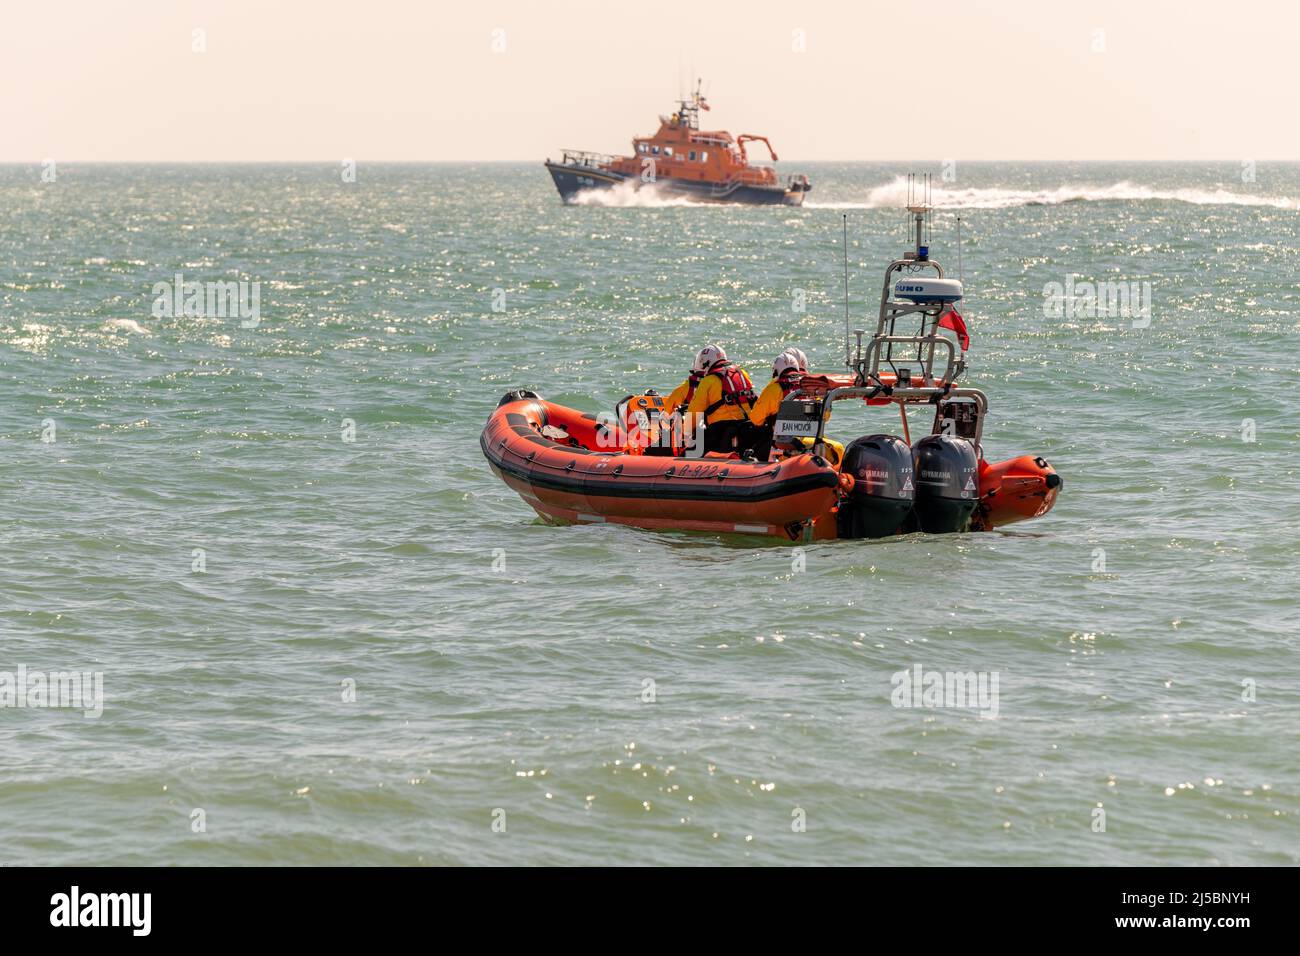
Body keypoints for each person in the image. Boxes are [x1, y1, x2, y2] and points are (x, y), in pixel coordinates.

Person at [685, 345, 760, 454]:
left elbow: (694, 412)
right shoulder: (742, 373)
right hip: (747, 427)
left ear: (706, 363)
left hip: (721, 431)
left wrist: (686, 435)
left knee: (691, 450)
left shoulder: (708, 381)